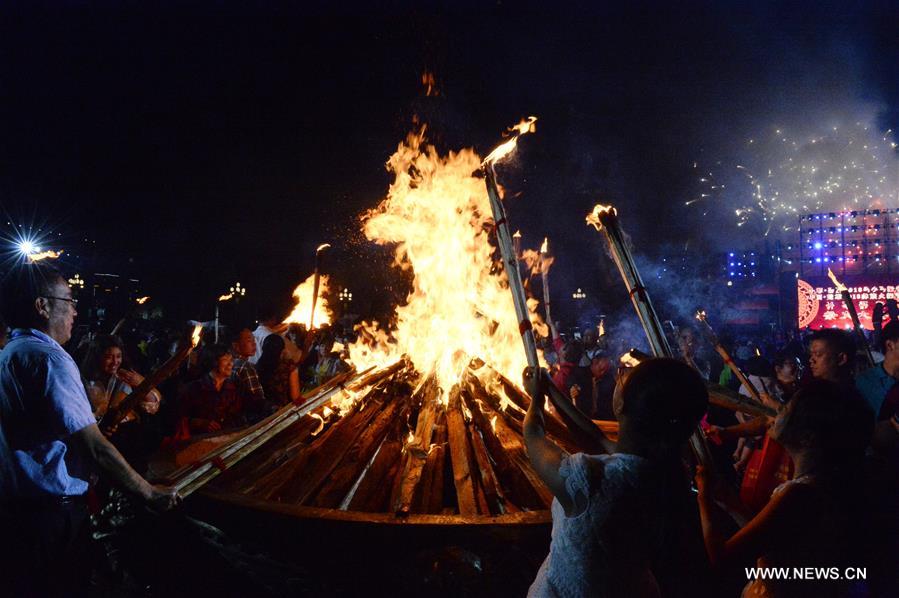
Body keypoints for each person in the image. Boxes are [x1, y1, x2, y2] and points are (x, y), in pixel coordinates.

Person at [0, 264, 179, 597]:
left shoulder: (11, 353)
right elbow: (95, 447)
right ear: (42, 306)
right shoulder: (49, 358)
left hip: (19, 514)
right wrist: (150, 493)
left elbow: (49, 431)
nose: (75, 310)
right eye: (68, 299)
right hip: (52, 517)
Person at [523, 358, 708, 597]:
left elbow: (533, 437)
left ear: (621, 405)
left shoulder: (594, 481)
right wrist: (550, 391)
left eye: (624, 376)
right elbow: (595, 437)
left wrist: (535, 399)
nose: (619, 375)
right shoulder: (665, 472)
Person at [696, 380, 874, 597]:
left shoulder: (800, 494)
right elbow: (773, 538)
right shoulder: (817, 483)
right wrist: (732, 504)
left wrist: (703, 497)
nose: (776, 413)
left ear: (808, 438)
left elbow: (723, 559)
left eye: (786, 409)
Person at [80, 334, 162, 472]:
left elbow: (154, 403)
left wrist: (141, 384)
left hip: (129, 440)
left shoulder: (125, 377)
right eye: (109, 357)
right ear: (97, 357)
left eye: (118, 356)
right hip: (100, 442)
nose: (115, 362)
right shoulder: (85, 381)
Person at [179, 344, 245, 435]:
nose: (231, 364)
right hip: (200, 441)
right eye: (225, 360)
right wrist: (199, 423)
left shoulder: (234, 387)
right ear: (213, 362)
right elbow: (178, 419)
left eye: (231, 360)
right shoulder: (193, 389)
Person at [230, 328, 267, 421]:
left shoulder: (229, 363)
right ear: (236, 346)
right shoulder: (246, 367)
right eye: (249, 341)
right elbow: (258, 398)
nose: (254, 344)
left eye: (254, 341)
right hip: (246, 418)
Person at [257, 334, 301, 406]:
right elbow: (295, 397)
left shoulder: (258, 367)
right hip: (285, 410)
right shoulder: (289, 367)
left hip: (267, 412)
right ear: (282, 350)